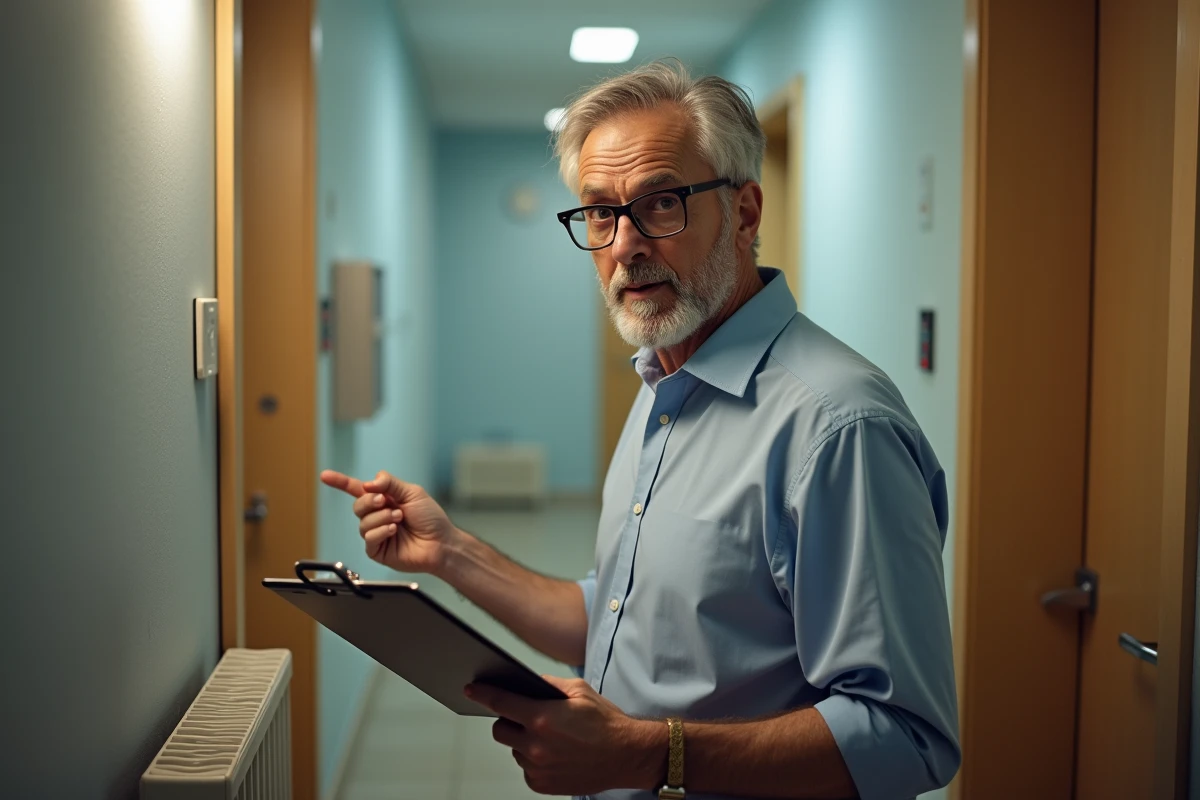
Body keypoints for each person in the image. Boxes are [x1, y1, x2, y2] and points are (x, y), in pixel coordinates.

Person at [321, 60, 959, 800]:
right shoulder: (663, 380)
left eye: (661, 204)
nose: (624, 244)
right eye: (599, 213)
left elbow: (906, 738)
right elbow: (620, 617)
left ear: (745, 212)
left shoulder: (838, 429)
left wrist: (650, 756)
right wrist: (451, 552)